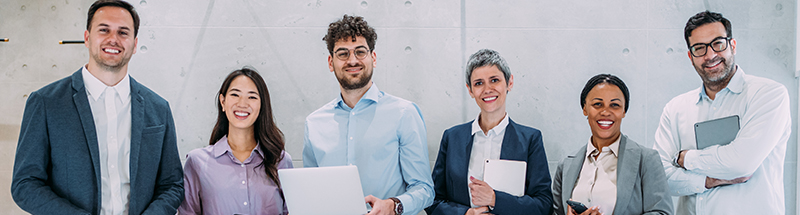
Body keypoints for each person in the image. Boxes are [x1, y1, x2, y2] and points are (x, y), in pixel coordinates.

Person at [10, 0, 184, 214]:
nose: (113, 39)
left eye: (123, 32)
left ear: (135, 43)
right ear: (87, 37)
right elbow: (25, 185)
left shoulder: (159, 108)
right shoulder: (46, 102)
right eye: (104, 30)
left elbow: (172, 184)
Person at [653, 10, 791, 215]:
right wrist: (707, 181)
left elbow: (741, 163)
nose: (710, 55)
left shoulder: (768, 95)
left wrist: (685, 159)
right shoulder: (675, 109)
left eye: (718, 43)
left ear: (732, 45)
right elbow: (659, 178)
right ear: (691, 57)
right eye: (700, 48)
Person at [303, 14, 434, 215]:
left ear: (373, 57)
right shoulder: (314, 123)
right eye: (343, 54)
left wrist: (393, 205)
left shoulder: (404, 113)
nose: (352, 60)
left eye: (360, 52)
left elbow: (424, 189)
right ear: (331, 62)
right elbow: (311, 192)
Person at [426, 49, 553, 215]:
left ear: (509, 82)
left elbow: (544, 205)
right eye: (478, 83)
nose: (487, 89)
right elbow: (432, 201)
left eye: (494, 80)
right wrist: (466, 214)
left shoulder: (530, 139)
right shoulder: (452, 137)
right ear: (470, 90)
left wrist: (494, 199)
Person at [552, 74, 672, 215]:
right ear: (585, 109)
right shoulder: (566, 165)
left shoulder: (646, 160)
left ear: (623, 111)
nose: (605, 112)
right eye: (597, 104)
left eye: (614, 105)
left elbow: (662, 213)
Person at [179, 68, 293, 215]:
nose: (242, 103)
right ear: (223, 102)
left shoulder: (281, 161)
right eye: (235, 94)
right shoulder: (197, 162)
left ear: (261, 105)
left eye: (252, 97)